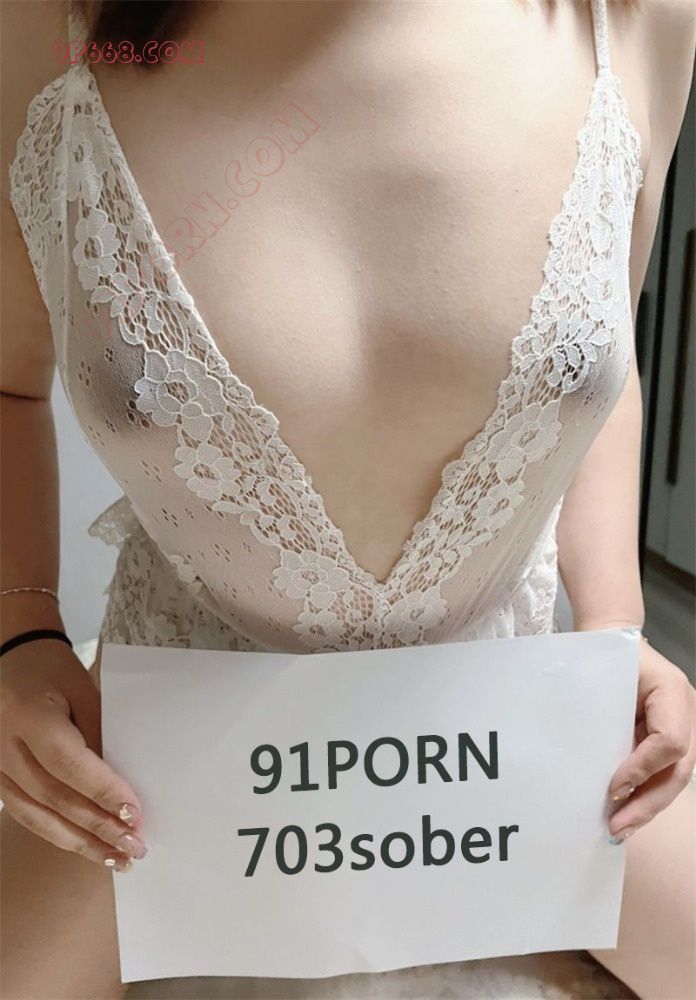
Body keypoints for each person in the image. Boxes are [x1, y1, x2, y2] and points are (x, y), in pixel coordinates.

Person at [1, 1, 694, 997]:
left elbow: (598, 363)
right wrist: (21, 636)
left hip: (504, 722)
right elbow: (8, 381)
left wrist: (615, 628)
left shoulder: (635, 19)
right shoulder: (53, 30)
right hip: (171, 749)